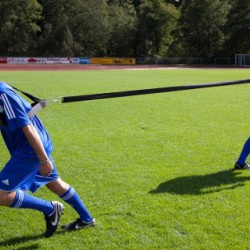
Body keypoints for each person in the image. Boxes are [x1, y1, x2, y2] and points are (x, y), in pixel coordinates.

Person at [0, 81, 95, 238]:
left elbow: (27, 127)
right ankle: (87, 219)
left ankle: (50, 209)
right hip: (32, 146)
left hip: (30, 148)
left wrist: (44, 160)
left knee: (1, 194)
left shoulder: (3, 94)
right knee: (54, 182)